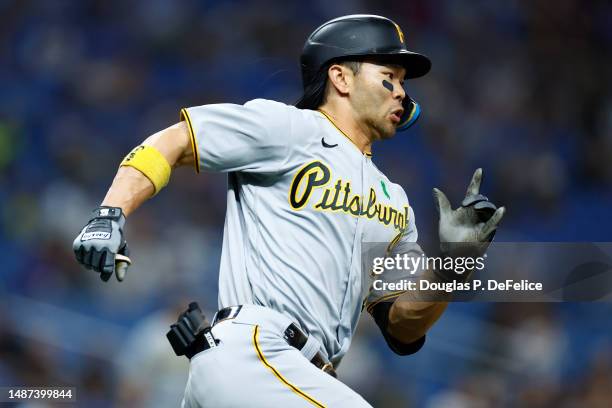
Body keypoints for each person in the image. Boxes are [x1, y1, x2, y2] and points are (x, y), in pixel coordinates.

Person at [73, 14, 505, 407]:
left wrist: (456, 265)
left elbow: (402, 327)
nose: (402, 93)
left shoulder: (394, 201)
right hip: (256, 354)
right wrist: (110, 214)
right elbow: (174, 142)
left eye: (404, 82)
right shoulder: (289, 129)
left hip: (288, 377)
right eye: (389, 76)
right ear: (341, 77)